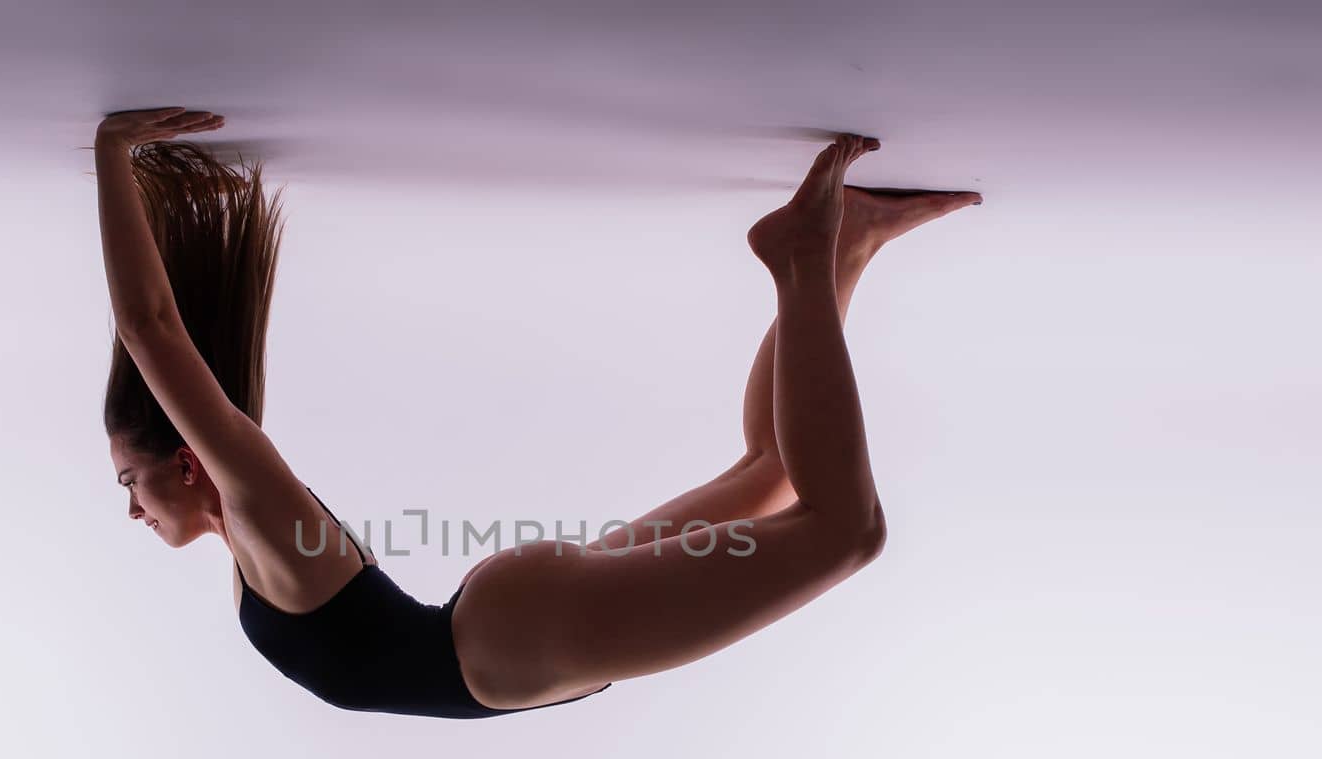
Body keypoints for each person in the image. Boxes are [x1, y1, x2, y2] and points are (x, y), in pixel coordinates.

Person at [95, 107, 981, 719]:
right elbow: (156, 332)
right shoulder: (253, 537)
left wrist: (112, 154)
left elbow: (149, 327)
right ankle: (846, 246)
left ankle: (802, 254)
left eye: (130, 480)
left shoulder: (255, 504)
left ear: (187, 460)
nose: (131, 506)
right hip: (519, 631)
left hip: (519, 640)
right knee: (770, 472)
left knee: (846, 531)